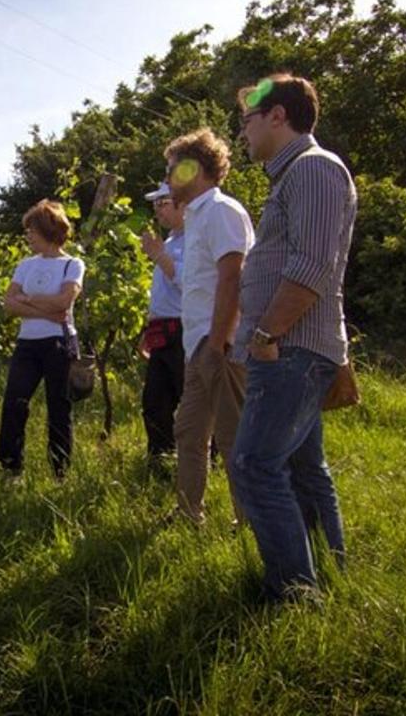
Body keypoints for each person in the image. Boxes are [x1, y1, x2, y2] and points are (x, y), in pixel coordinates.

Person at [228, 74, 357, 601]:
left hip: (290, 351)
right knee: (304, 470)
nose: (242, 134)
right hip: (292, 349)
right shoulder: (293, 178)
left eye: (247, 121)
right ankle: (327, 574)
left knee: (254, 465)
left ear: (277, 116)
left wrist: (264, 334)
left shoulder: (314, 170)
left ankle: (294, 594)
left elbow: (313, 267)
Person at [165, 128, 255, 524]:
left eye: (172, 170)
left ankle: (250, 524)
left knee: (234, 438)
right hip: (198, 345)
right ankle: (189, 514)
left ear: (193, 169)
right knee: (188, 431)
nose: (167, 180)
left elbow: (233, 279)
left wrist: (218, 344)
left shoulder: (221, 211)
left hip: (220, 345)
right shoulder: (196, 219)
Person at [0, 199, 85, 479]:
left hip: (58, 345)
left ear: (47, 230)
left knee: (59, 408)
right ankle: (11, 467)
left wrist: (29, 299)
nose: (28, 236)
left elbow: (64, 302)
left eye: (31, 230)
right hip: (28, 344)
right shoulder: (25, 265)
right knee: (14, 403)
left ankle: (60, 472)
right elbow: (9, 304)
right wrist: (46, 310)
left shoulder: (72, 264)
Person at [138, 182, 186, 466]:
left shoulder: (195, 239)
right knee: (155, 402)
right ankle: (161, 460)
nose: (157, 211)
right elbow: (162, 292)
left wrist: (159, 256)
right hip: (162, 331)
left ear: (183, 203)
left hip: (185, 330)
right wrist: (149, 325)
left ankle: (212, 463)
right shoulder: (168, 242)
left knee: (193, 403)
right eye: (155, 204)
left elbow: (190, 283)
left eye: (163, 203)